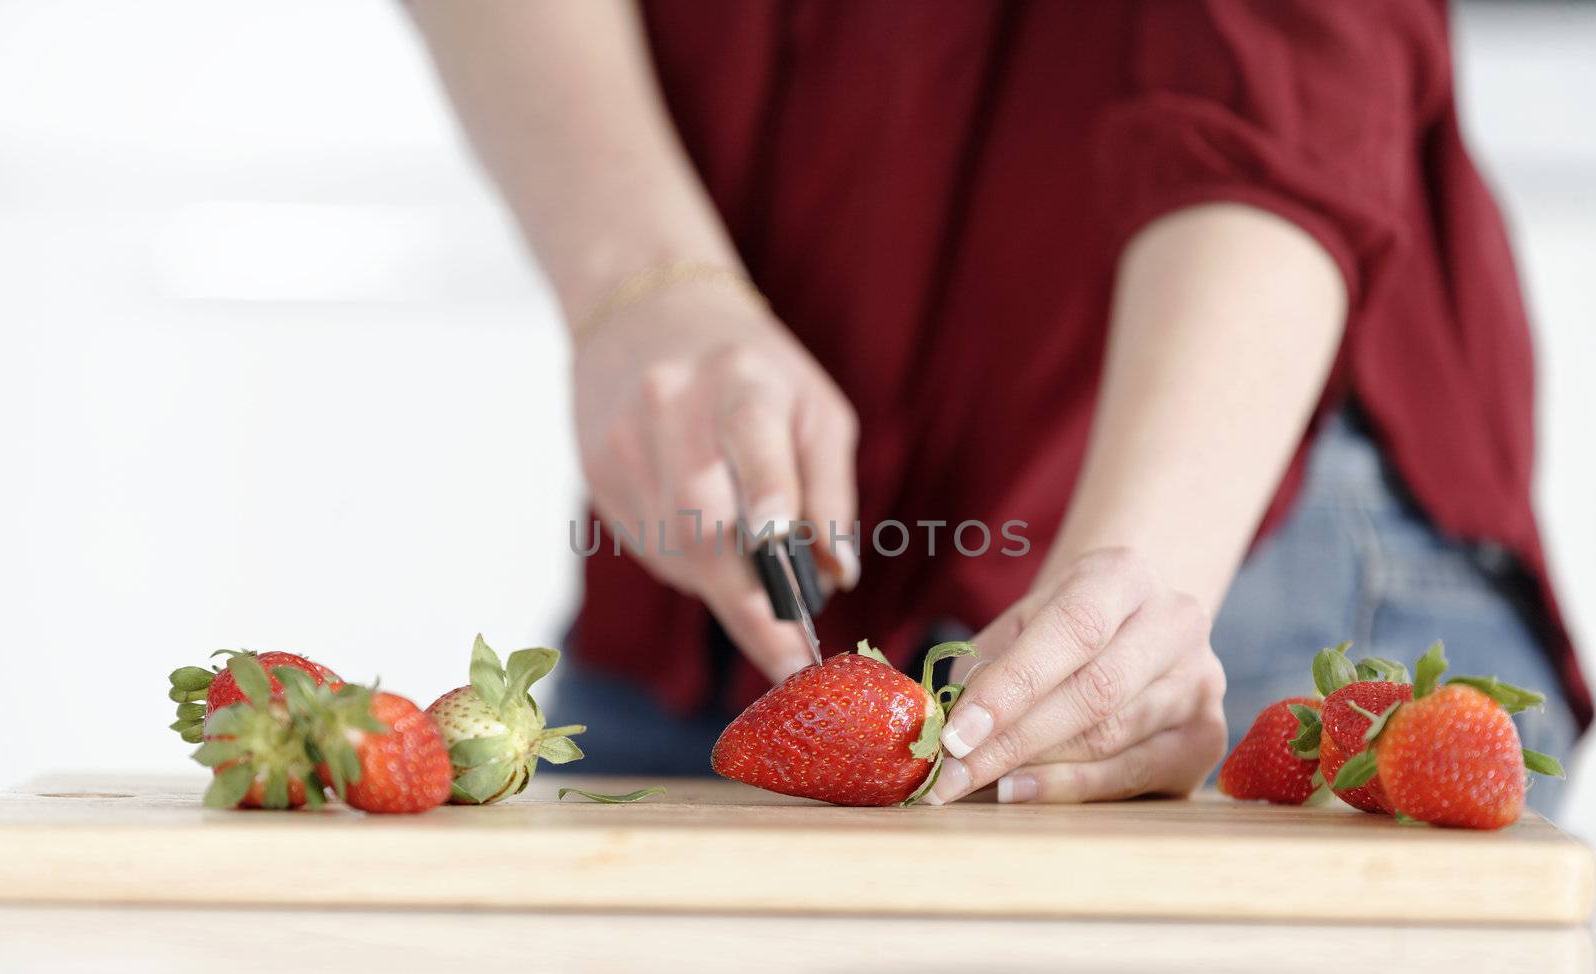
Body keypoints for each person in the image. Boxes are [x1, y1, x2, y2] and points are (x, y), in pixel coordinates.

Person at [408, 1, 1586, 812]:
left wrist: (1139, 594)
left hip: (1226, 518)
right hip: (717, 575)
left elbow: (1284, 76)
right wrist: (645, 289)